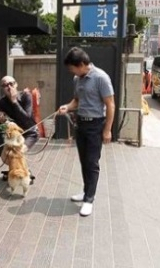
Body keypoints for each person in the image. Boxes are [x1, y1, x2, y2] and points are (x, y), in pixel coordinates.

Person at [57, 47, 115, 216]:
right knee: (84, 161)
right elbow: (76, 101)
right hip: (81, 124)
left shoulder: (101, 78)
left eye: (72, 68)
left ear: (82, 64)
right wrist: (66, 107)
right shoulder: (78, 79)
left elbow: (110, 104)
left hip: (96, 125)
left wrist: (107, 130)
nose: (71, 71)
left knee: (92, 163)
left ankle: (89, 199)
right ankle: (86, 192)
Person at [0, 75, 39, 184]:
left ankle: (25, 174)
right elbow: (3, 120)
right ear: (2, 88)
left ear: (16, 84)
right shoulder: (1, 102)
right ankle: (15, 170)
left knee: (18, 152)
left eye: (11, 84)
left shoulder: (26, 96)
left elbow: (27, 120)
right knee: (5, 157)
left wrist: (14, 101)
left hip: (30, 133)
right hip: (14, 134)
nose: (9, 87)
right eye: (5, 85)